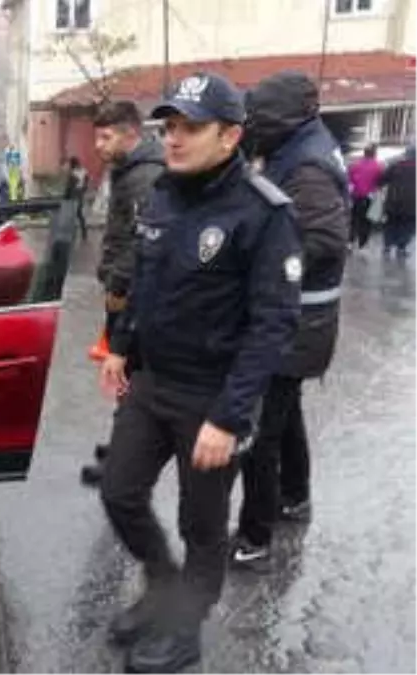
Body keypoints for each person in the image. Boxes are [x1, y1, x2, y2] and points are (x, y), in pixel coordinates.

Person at [98, 73, 302, 673]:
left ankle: (185, 628)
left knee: (202, 523)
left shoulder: (264, 213)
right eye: (169, 127)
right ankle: (164, 588)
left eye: (191, 128)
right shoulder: (163, 192)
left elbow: (273, 326)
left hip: (214, 396)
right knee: (119, 491)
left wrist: (229, 417)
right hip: (155, 380)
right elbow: (144, 282)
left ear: (230, 134)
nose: (174, 139)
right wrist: (119, 346)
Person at [233, 72, 350, 568]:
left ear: (280, 117)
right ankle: (295, 497)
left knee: (259, 431)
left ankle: (255, 540)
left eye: (255, 119)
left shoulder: (306, 165)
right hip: (303, 321)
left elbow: (323, 240)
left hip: (297, 322)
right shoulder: (299, 147)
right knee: (286, 415)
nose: (249, 128)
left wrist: (260, 254)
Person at [80, 101, 165, 487]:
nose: (98, 145)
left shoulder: (145, 176)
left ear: (131, 133)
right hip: (128, 292)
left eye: (106, 136)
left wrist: (117, 284)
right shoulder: (128, 170)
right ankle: (121, 446)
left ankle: (124, 461)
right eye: (97, 136)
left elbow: (142, 240)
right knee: (124, 373)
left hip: (135, 296)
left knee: (127, 375)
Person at [377, 143, 417, 259]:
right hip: (412, 205)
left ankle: (387, 246)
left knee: (391, 223)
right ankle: (401, 248)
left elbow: (381, 180)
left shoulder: (396, 165)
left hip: (393, 201)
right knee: (407, 226)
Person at [347, 144, 383, 249]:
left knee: (354, 219)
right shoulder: (378, 166)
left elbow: (349, 181)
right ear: (374, 154)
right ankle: (362, 243)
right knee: (367, 221)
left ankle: (350, 241)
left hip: (355, 196)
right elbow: (380, 182)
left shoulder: (355, 165)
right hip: (370, 198)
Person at [62, 156, 89, 240]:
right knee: (80, 214)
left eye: (70, 163)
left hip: (73, 195)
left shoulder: (73, 173)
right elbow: (86, 184)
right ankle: (84, 233)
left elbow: (69, 187)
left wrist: (65, 198)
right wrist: (83, 191)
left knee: (72, 215)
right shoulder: (84, 171)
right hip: (80, 194)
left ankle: (72, 234)